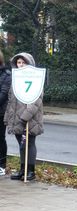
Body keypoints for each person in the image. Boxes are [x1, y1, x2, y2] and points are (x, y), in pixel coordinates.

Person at [4, 52, 44, 181]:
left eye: (23, 62)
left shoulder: (36, 80)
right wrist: (8, 118)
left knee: (29, 144)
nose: (20, 65)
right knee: (21, 145)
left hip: (30, 119)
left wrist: (25, 117)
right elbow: (11, 100)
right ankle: (23, 169)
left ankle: (30, 171)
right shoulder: (15, 80)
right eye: (19, 62)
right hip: (16, 119)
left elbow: (37, 101)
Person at [0, 50, 11, 176]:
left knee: (0, 139)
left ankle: (1, 165)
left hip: (0, 113)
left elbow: (3, 95)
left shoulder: (6, 75)